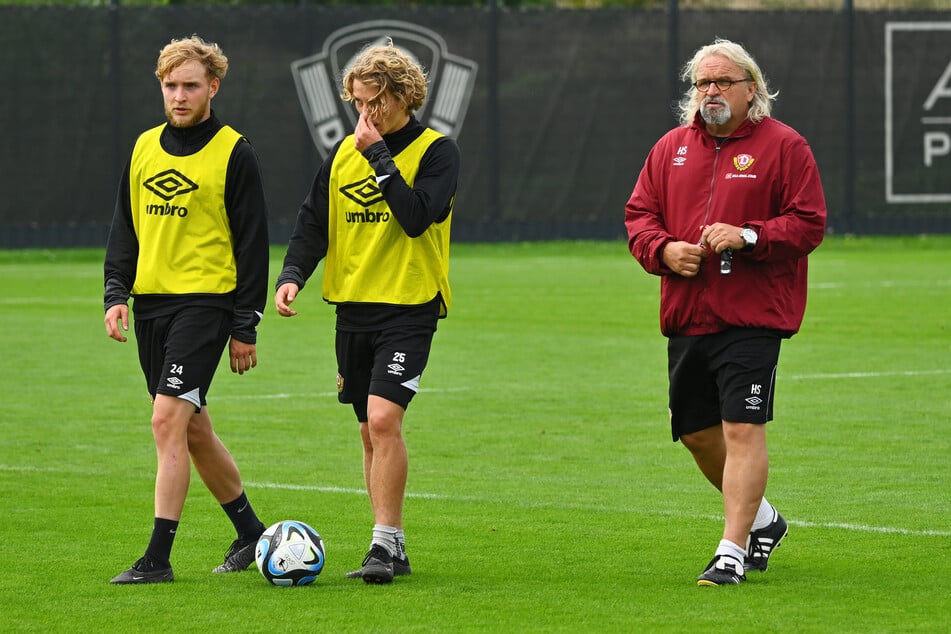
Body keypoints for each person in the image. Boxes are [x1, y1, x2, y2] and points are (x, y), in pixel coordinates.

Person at [624, 38, 826, 586]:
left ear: (751, 89)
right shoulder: (671, 148)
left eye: (723, 82)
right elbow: (639, 215)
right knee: (694, 432)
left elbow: (809, 224)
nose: (710, 91)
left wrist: (750, 235)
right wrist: (662, 250)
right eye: (702, 82)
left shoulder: (785, 146)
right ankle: (764, 521)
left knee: (742, 428)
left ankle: (731, 551)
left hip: (754, 314)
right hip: (688, 312)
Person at [274, 40, 459, 584]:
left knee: (385, 417)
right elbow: (313, 221)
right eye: (357, 103)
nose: (365, 114)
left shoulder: (436, 152)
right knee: (367, 429)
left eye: (375, 102)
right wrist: (291, 276)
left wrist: (378, 154)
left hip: (409, 304)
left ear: (404, 96)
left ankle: (382, 545)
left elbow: (415, 216)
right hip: (352, 307)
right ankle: (392, 545)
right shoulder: (340, 153)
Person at [103, 35, 270, 584]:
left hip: (206, 304)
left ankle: (157, 558)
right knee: (193, 428)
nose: (179, 95)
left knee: (166, 419)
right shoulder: (143, 146)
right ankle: (251, 533)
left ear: (212, 87)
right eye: (170, 85)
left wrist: (246, 323)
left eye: (190, 85)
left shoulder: (233, 150)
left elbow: (251, 243)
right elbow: (125, 229)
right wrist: (115, 294)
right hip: (151, 304)